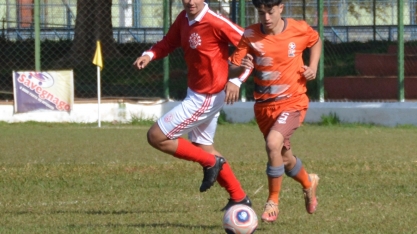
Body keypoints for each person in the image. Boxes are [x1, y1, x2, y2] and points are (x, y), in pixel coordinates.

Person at [133, 0, 251, 211]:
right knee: (202, 146)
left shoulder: (215, 22)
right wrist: (149, 54)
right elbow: (168, 42)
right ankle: (239, 196)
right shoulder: (183, 18)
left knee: (156, 136)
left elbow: (250, 43)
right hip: (196, 92)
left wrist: (236, 79)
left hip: (207, 97)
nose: (189, 1)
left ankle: (211, 163)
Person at [226, 0, 322, 223]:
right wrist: (239, 69)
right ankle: (309, 183)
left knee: (272, 143)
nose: (266, 17)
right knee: (283, 157)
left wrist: (313, 67)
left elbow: (315, 40)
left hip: (293, 102)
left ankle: (273, 201)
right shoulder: (250, 34)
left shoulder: (298, 29)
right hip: (264, 107)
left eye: (270, 12)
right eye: (261, 13)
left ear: (281, 7)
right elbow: (233, 65)